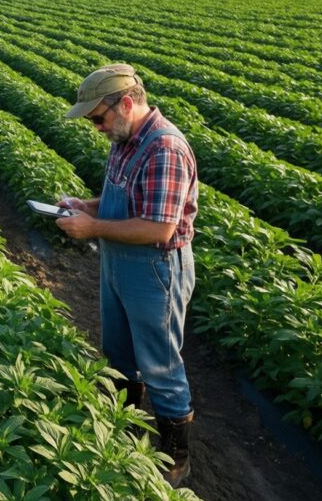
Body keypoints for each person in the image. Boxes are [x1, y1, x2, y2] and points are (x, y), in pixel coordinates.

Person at [55, 64, 198, 488]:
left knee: (160, 366)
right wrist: (87, 206)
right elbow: (123, 194)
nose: (96, 127)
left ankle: (175, 458)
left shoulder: (164, 148)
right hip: (119, 260)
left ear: (127, 104)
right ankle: (121, 428)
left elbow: (158, 227)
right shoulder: (125, 137)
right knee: (118, 355)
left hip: (154, 268)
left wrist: (93, 229)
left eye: (98, 118)